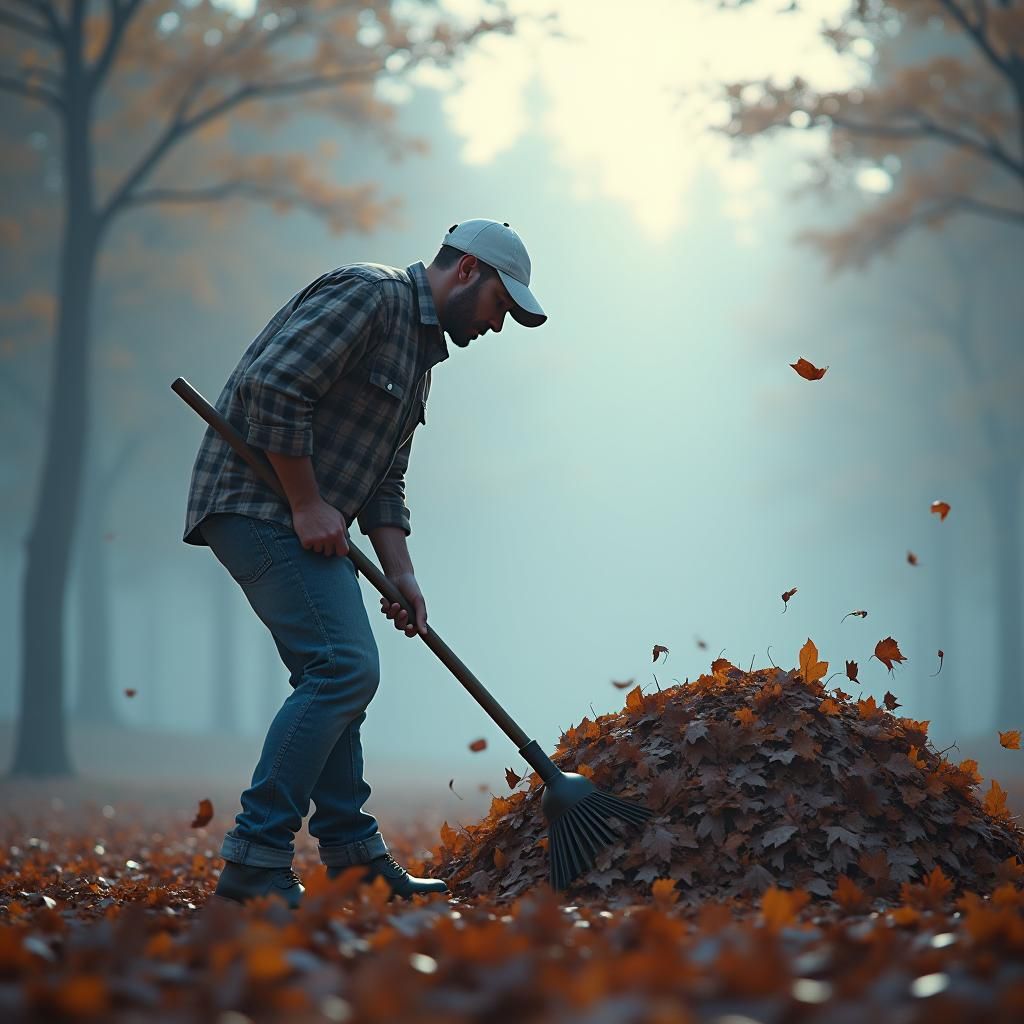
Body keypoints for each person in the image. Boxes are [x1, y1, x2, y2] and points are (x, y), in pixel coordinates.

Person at [182, 219, 547, 908]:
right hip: (256, 504)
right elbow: (271, 387)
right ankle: (256, 863)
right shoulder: (370, 296)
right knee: (343, 667)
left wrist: (401, 570)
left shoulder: (420, 353)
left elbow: (385, 476)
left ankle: (352, 857)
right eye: (502, 304)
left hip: (302, 518)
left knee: (338, 677)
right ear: (467, 270)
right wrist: (308, 501)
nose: (499, 325)